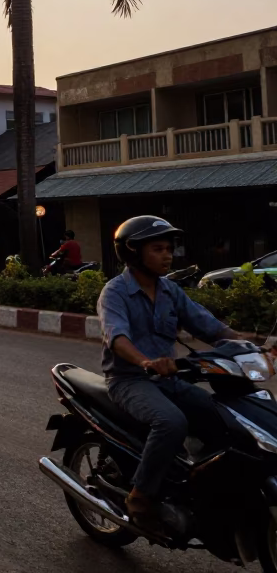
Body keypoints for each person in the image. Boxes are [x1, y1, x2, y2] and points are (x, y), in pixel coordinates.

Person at [98, 215, 244, 534]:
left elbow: (210, 326)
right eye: (158, 249)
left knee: (223, 418)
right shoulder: (115, 292)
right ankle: (140, 496)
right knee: (171, 422)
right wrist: (145, 362)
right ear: (134, 253)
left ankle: (199, 483)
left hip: (171, 379)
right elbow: (117, 337)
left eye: (169, 249)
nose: (168, 255)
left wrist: (253, 346)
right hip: (130, 380)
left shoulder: (170, 291)